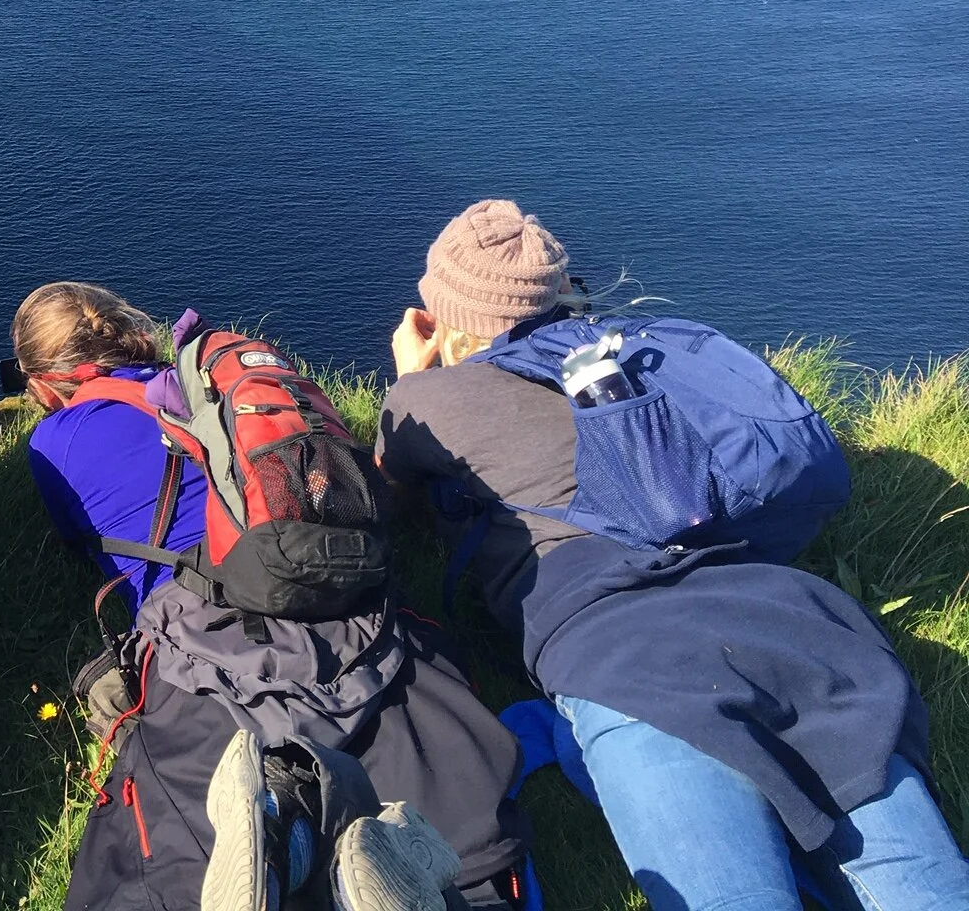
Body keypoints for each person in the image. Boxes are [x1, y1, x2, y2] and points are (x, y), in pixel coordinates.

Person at [376, 198, 969, 911]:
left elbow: (386, 499)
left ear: (443, 310)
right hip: (796, 622)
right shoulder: (644, 358)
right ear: (560, 288)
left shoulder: (436, 397)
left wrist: (411, 377)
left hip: (625, 654)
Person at [16, 282, 531, 911]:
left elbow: (81, 538)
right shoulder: (223, 390)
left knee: (177, 849)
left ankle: (275, 850)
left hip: (197, 623)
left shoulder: (54, 441)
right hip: (339, 594)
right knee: (455, 831)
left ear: (44, 385)